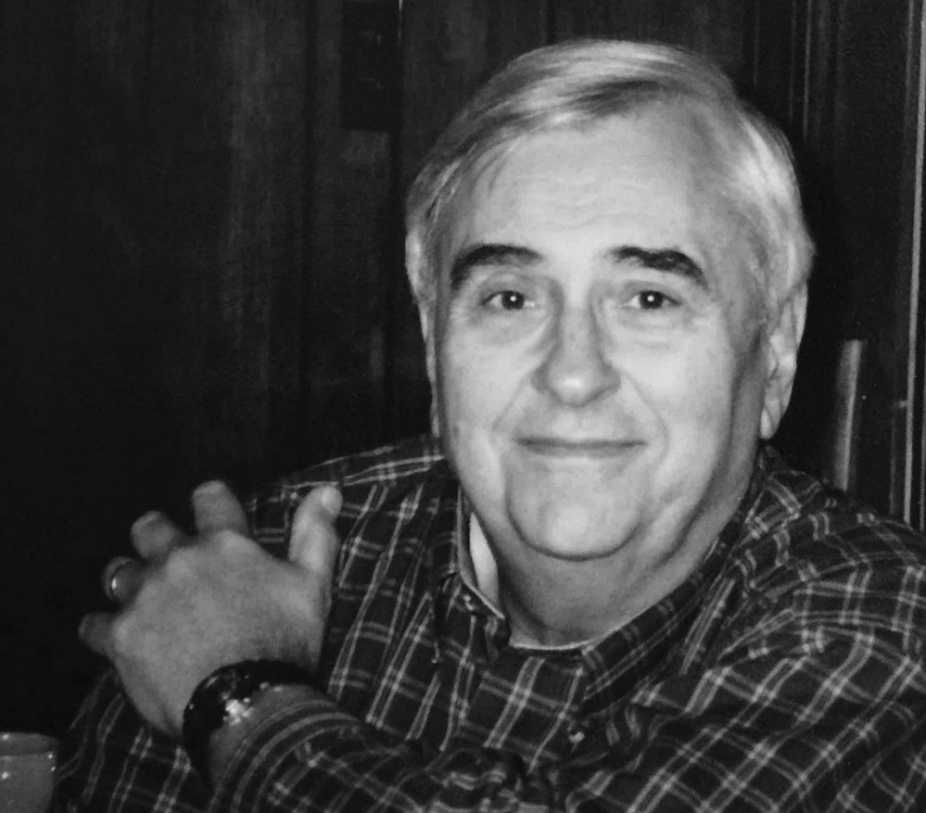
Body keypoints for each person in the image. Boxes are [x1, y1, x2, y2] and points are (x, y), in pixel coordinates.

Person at [55, 39, 926, 811]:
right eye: (509, 298)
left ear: (775, 348)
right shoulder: (258, 561)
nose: (573, 373)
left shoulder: (877, 629)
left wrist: (237, 695)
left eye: (650, 298)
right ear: (435, 337)